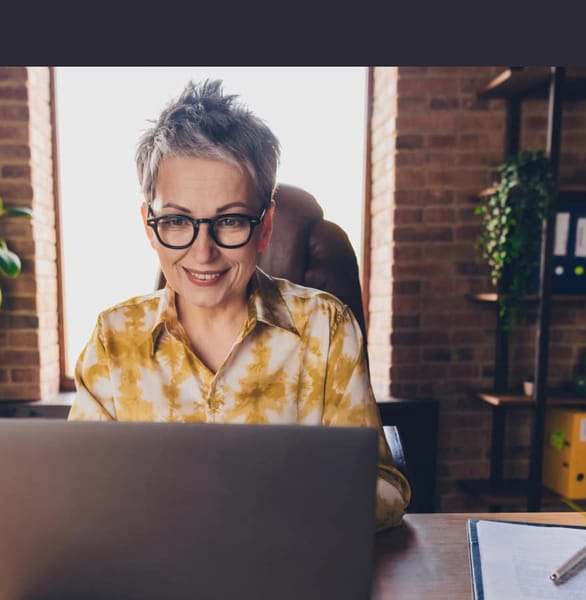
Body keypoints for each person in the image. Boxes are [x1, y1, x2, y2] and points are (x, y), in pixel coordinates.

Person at [68, 78, 409, 531]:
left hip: (288, 572)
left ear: (265, 227)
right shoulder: (114, 338)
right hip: (150, 580)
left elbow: (384, 488)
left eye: (229, 221)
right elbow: (75, 490)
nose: (203, 251)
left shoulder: (326, 328)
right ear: (151, 228)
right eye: (176, 221)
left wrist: (279, 505)